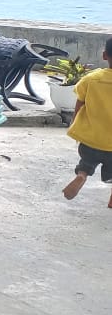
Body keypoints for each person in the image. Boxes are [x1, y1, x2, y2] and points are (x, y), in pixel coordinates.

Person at [62, 38, 112, 207]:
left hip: (90, 142)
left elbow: (79, 103)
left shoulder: (91, 79)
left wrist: (74, 123)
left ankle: (82, 175)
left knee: (86, 164)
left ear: (104, 55)